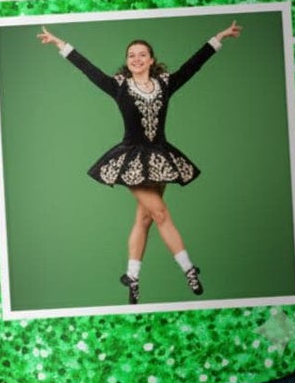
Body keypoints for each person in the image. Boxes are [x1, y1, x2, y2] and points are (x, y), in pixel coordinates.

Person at [36, 20, 241, 304]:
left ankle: (132, 277)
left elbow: (193, 66)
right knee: (161, 214)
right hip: (132, 160)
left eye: (142, 54)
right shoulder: (119, 86)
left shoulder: (165, 84)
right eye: (131, 55)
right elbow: (89, 69)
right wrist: (61, 45)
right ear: (127, 61)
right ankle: (189, 269)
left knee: (144, 219)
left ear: (151, 60)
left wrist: (218, 38)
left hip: (160, 157)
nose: (136, 59)